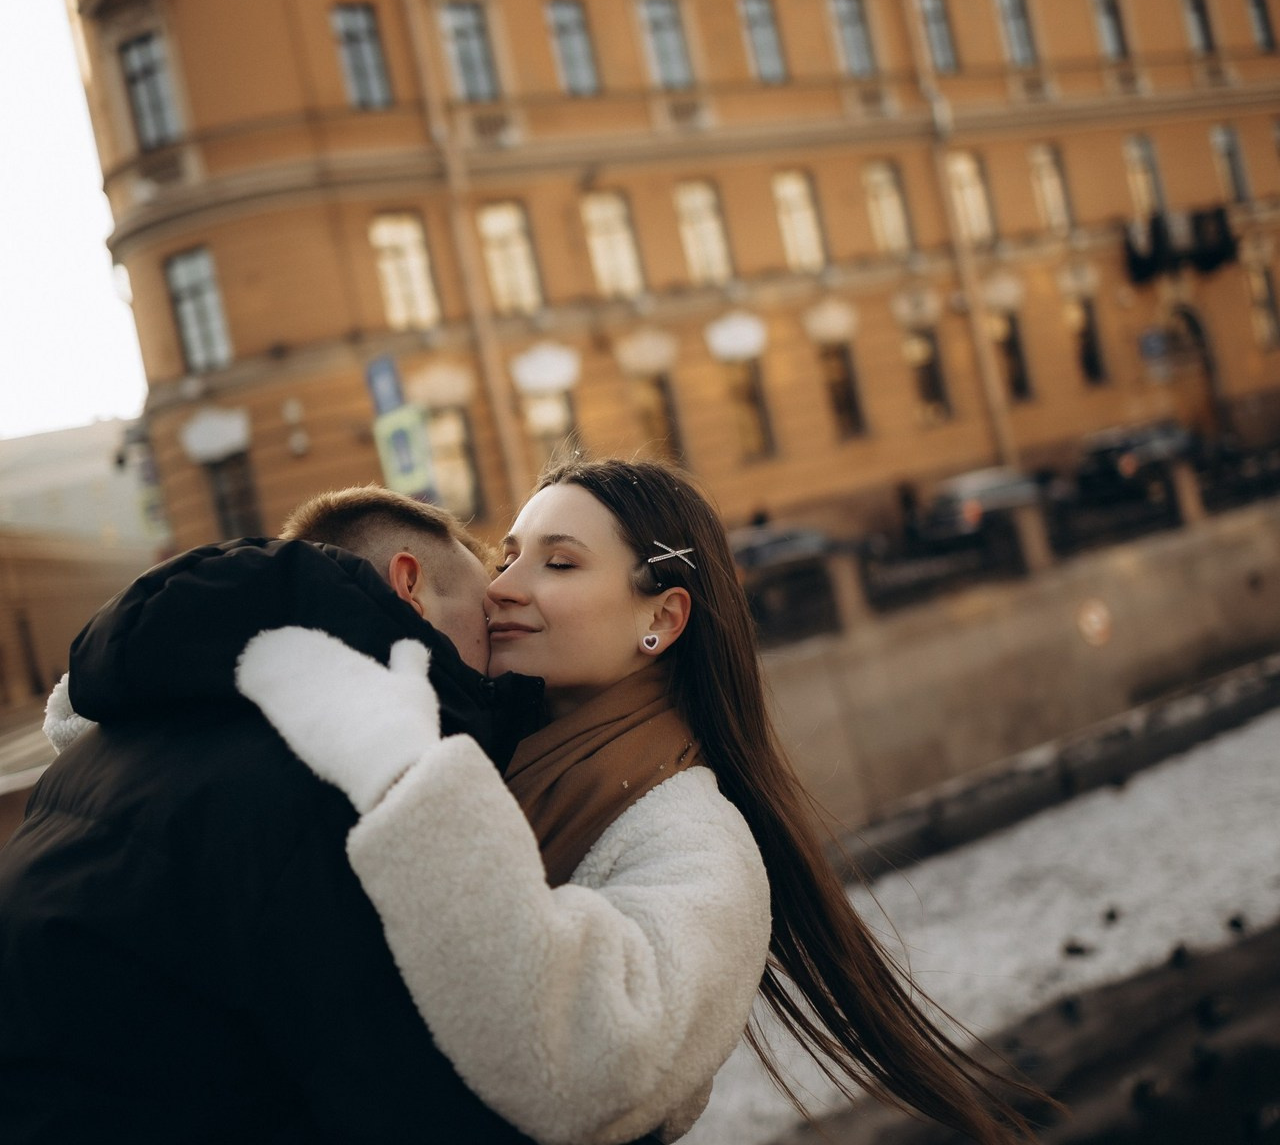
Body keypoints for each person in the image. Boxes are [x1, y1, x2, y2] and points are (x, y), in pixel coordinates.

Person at [237, 459, 1049, 1145]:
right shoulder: (476, 752)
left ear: (660, 619)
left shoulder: (696, 840)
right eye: (508, 554)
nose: (502, 587)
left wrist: (401, 775)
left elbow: (590, 1066)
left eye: (558, 564)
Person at [0, 490, 546, 1143]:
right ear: (411, 586)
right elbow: (418, 1104)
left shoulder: (130, 725)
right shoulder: (338, 772)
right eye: (483, 609)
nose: (496, 652)